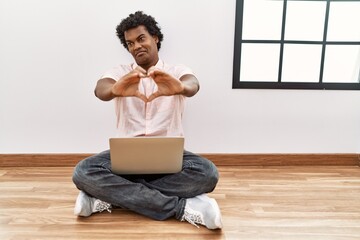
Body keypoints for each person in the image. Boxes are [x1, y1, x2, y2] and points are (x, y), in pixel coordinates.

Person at [72, 11, 222, 230]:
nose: (136, 46)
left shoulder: (177, 71)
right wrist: (116, 88)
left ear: (155, 38)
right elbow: (100, 90)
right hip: (125, 157)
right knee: (83, 172)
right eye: (130, 43)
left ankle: (106, 197)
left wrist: (180, 87)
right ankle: (183, 207)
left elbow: (192, 84)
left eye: (141, 39)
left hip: (169, 158)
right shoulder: (119, 73)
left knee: (207, 174)